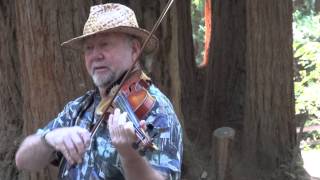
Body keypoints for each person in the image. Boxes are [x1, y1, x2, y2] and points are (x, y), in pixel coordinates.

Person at [15, 3, 183, 180]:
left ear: (134, 50)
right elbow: (22, 160)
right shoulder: (79, 107)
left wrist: (130, 156)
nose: (96, 55)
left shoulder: (157, 110)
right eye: (89, 48)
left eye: (105, 45)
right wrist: (50, 138)